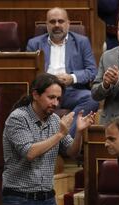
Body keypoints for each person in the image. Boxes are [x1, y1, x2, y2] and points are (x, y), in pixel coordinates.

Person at [2, 73, 95, 205]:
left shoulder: (53, 120)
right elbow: (30, 152)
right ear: (36, 94)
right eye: (51, 97)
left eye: (58, 99)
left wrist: (79, 132)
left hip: (47, 199)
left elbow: (71, 152)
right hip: (18, 199)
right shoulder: (18, 118)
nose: (55, 103)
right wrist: (59, 134)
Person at [26, 7, 99, 137]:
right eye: (52, 22)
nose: (57, 25)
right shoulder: (34, 44)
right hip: (44, 92)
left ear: (68, 23)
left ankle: (64, 140)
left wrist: (72, 78)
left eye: (61, 21)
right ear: (47, 24)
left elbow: (92, 71)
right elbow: (28, 72)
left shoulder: (81, 42)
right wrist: (47, 82)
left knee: (92, 98)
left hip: (70, 91)